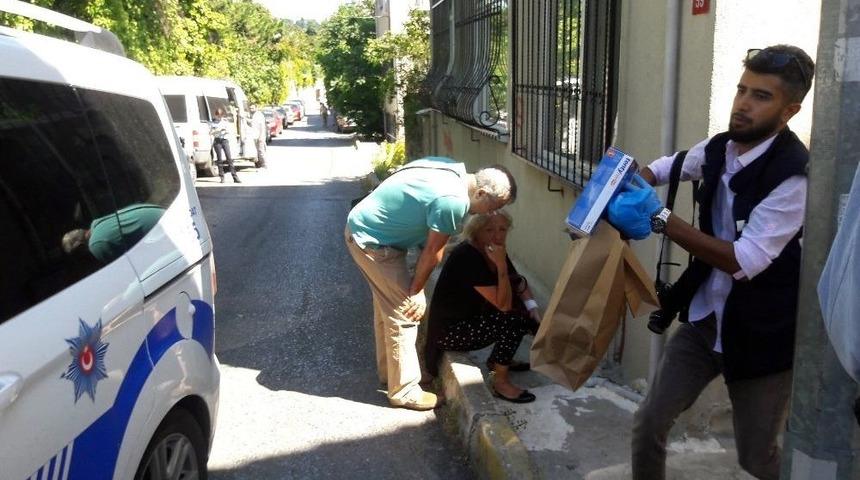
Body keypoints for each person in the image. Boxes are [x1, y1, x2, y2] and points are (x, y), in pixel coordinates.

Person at [606, 45, 815, 480]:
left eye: (761, 96)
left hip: (761, 333)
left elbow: (745, 260)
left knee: (755, 459)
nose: (742, 103)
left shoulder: (794, 176)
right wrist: (624, 187)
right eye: (741, 90)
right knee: (649, 423)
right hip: (705, 320)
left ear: (789, 110)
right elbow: (667, 168)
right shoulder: (722, 147)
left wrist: (659, 216)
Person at [345, 157, 517, 411]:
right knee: (405, 312)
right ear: (480, 192)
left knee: (387, 310)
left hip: (368, 229)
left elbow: (432, 237)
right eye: (493, 206)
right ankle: (404, 390)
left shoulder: (454, 171)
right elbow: (431, 251)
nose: (492, 214)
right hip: (373, 242)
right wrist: (416, 292)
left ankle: (391, 374)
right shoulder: (454, 201)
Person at [424, 211, 541, 403]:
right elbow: (503, 305)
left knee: (525, 314)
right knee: (513, 319)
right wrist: (501, 265)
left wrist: (533, 308)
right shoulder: (468, 256)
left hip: (473, 317)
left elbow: (517, 281)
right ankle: (500, 381)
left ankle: (498, 360)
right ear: (476, 231)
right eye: (489, 230)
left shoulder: (492, 249)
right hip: (451, 331)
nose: (497, 235)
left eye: (502, 229)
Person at [211, 108, 241, 183]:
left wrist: (225, 130)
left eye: (220, 116)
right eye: (218, 116)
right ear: (216, 115)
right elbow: (211, 132)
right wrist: (217, 130)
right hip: (217, 140)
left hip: (224, 140)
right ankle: (222, 177)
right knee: (219, 159)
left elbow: (228, 130)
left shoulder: (224, 122)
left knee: (229, 158)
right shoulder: (213, 123)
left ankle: (234, 176)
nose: (219, 118)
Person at [249, 104, 267, 169]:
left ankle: (264, 164)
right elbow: (252, 123)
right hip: (255, 136)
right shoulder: (254, 115)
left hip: (260, 136)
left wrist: (261, 136)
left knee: (261, 151)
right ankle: (259, 164)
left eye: (252, 108)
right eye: (250, 108)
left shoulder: (259, 115)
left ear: (256, 108)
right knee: (257, 151)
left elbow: (262, 127)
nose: (251, 110)